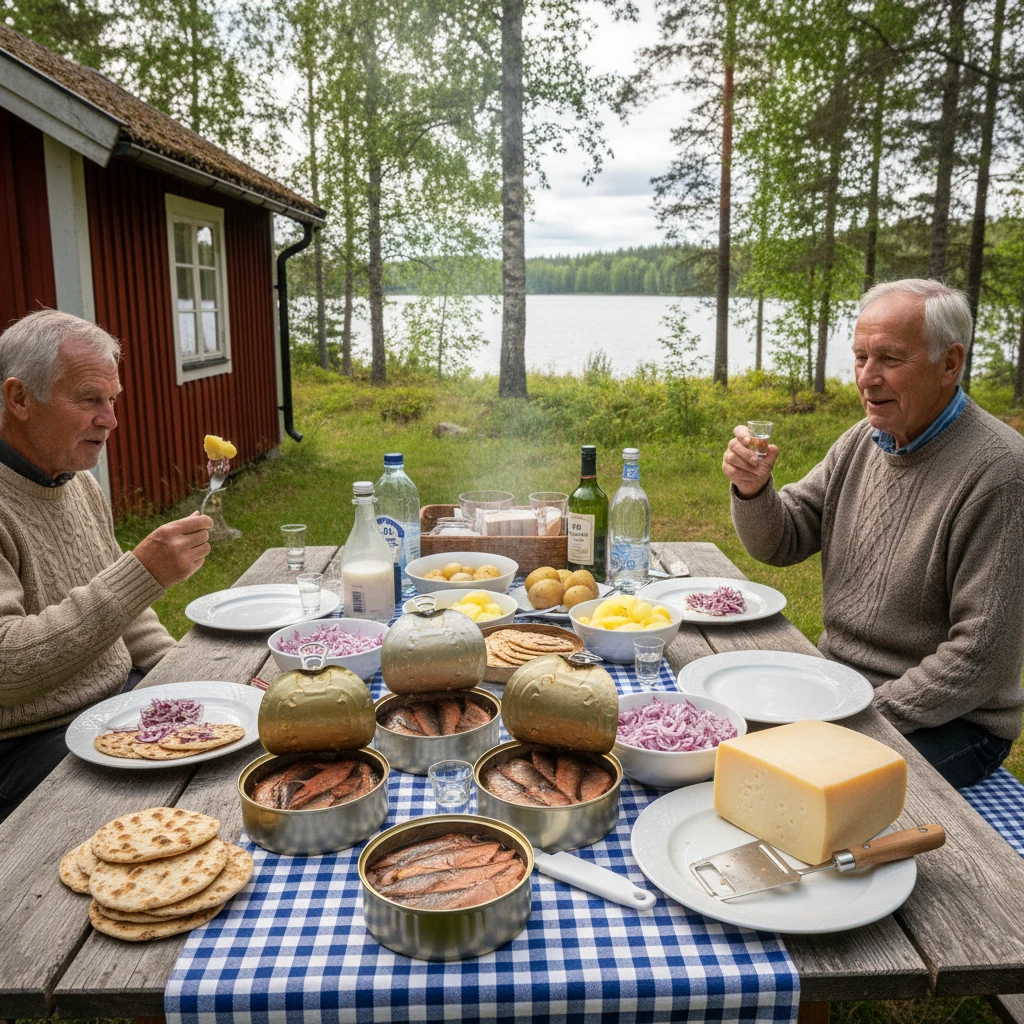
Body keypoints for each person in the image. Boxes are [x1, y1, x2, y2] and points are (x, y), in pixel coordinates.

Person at [722, 279, 1024, 788]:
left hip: (950, 721)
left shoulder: (1001, 474)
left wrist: (854, 714)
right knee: (720, 732)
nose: (867, 377)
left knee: (789, 786)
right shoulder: (865, 438)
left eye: (889, 359)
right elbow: (782, 538)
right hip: (841, 684)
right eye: (861, 356)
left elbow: (980, 658)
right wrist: (754, 491)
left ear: (950, 363)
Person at [0, 309, 213, 822]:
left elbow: (130, 616)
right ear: (20, 398)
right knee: (184, 813)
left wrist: (184, 677)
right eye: (89, 400)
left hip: (115, 705)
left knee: (248, 746)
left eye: (112, 400)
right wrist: (143, 571)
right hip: (30, 744)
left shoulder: (76, 482)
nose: (110, 420)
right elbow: (5, 668)